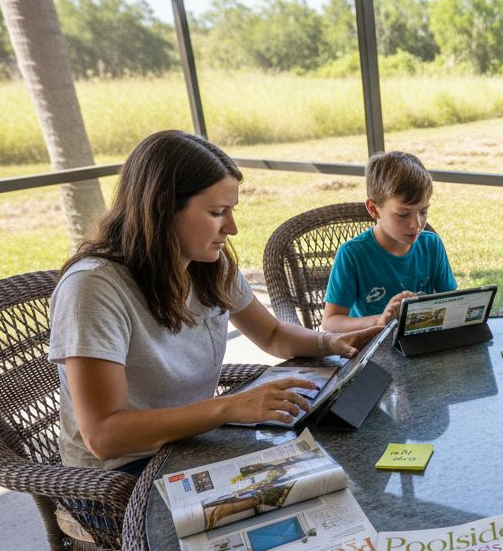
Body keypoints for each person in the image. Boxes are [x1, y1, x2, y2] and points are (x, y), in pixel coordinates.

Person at [49, 130, 380, 472]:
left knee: (330, 458)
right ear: (162, 208)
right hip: (120, 474)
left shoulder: (209, 267)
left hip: (192, 443)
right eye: (218, 212)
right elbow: (104, 436)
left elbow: (272, 335)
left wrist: (332, 342)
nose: (232, 228)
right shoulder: (94, 287)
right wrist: (230, 407)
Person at [321, 151, 457, 332]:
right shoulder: (353, 254)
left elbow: (451, 302)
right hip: (371, 348)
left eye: (423, 212)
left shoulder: (431, 245)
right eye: (403, 214)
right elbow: (330, 322)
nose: (416, 224)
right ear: (374, 209)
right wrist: (380, 320)